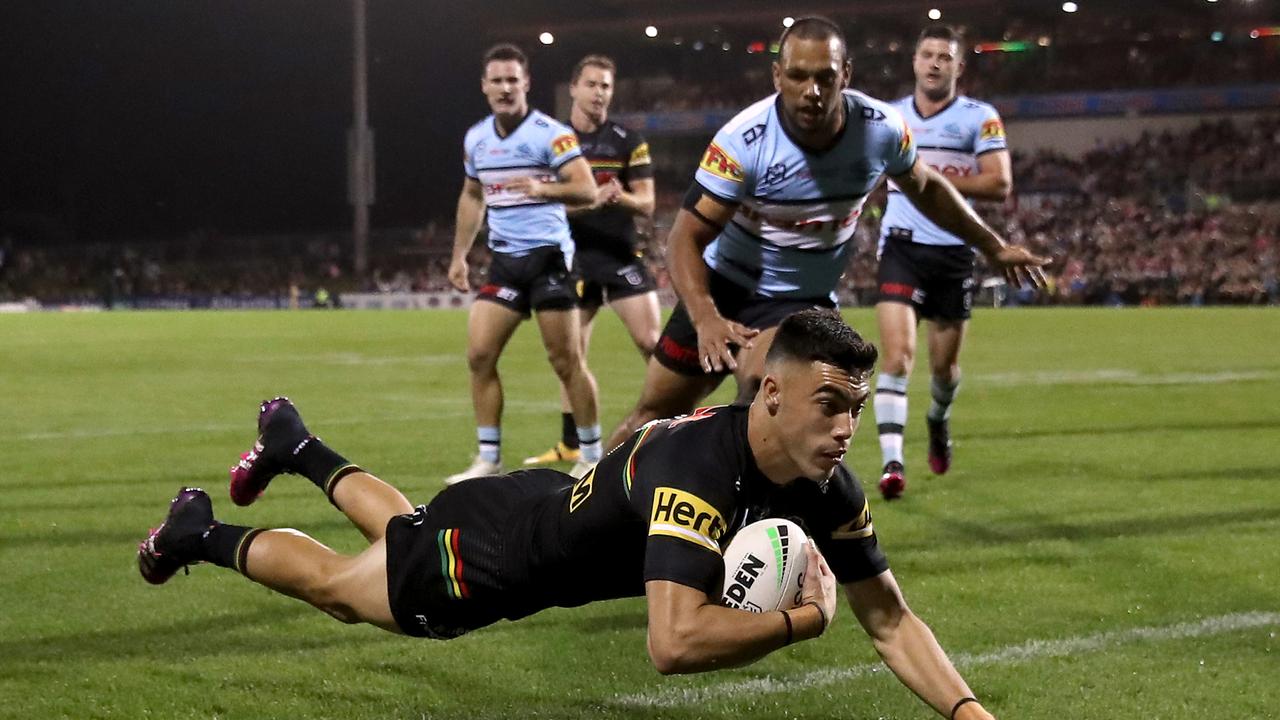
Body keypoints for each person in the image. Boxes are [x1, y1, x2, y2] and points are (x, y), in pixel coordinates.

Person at [138, 309, 999, 718]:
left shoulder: (826, 489)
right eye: (828, 405)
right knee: (339, 586)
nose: (847, 428)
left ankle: (296, 444)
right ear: (771, 394)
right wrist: (801, 623)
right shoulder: (699, 473)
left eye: (856, 406)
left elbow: (891, 620)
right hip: (494, 560)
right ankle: (199, 533)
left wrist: (967, 712)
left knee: (398, 539)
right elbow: (674, 643)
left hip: (523, 500)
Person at [602, 17, 1047, 454]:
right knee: (652, 416)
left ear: (845, 76)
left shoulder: (879, 129)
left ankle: (739, 510)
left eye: (825, 77)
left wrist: (993, 245)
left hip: (800, 300)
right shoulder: (743, 142)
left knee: (765, 390)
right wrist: (705, 317)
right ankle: (577, 509)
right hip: (723, 286)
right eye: (797, 76)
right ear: (777, 75)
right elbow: (684, 237)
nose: (811, 91)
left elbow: (927, 187)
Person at [446, 44, 602, 483]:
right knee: (479, 355)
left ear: (526, 83)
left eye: (513, 79)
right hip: (505, 262)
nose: (505, 88)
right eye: (496, 80)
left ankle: (591, 455)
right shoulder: (476, 139)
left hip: (549, 259)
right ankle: (488, 458)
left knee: (566, 360)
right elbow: (472, 194)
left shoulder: (551, 134)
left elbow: (587, 190)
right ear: (484, 86)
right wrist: (459, 254)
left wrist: (541, 188)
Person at [872, 25, 1014, 501]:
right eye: (927, 54)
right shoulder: (890, 117)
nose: (935, 63)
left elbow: (998, 183)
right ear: (914, 61)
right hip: (901, 248)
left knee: (944, 371)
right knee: (896, 358)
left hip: (954, 252)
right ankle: (893, 463)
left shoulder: (980, 117)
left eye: (944, 57)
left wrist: (929, 180)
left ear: (958, 67)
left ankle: (937, 418)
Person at [524, 54, 660, 467]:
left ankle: (675, 423)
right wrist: (588, 201)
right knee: (571, 355)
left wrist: (621, 197)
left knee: (652, 342)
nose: (599, 93)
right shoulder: (553, 142)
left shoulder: (627, 139)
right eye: (592, 85)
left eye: (606, 86)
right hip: (573, 260)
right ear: (574, 89)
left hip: (619, 256)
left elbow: (648, 202)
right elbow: (542, 203)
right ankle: (572, 443)